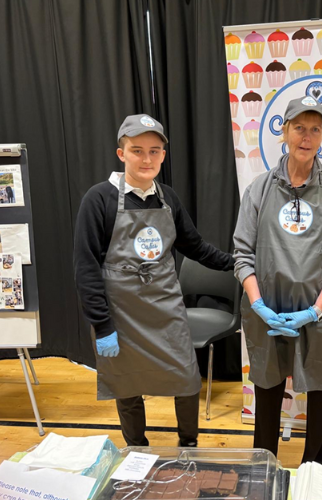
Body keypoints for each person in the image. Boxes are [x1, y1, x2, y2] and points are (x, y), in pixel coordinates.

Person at [74, 114, 235, 447]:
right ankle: (136, 447)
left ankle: (189, 445)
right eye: (137, 150)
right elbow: (86, 267)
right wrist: (102, 325)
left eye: (154, 151)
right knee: (127, 383)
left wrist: (239, 265)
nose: (146, 159)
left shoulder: (168, 199)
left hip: (165, 309)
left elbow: (196, 247)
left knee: (187, 379)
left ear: (163, 154)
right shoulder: (99, 199)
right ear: (122, 154)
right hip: (121, 312)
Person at [233, 97, 322, 465]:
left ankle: (316, 474)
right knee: (268, 393)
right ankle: (264, 468)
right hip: (267, 312)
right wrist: (257, 305)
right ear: (284, 131)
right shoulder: (258, 189)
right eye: (299, 127)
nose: (307, 136)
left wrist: (315, 310)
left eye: (315, 129)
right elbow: (242, 255)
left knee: (321, 395)